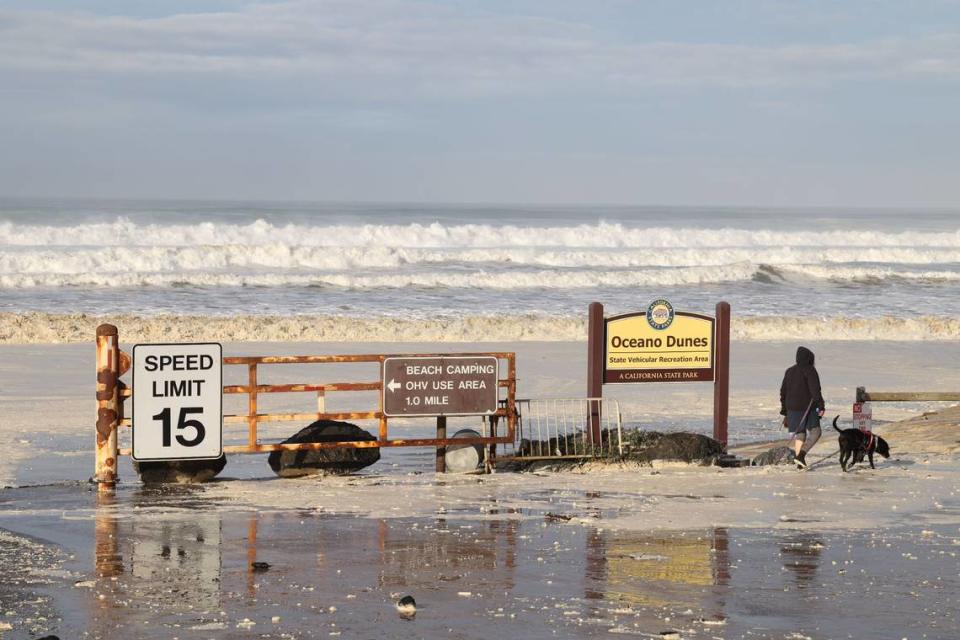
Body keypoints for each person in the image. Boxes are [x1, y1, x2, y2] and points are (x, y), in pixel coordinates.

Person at [779, 346, 825, 469]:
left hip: (791, 408)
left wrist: (785, 410)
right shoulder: (810, 370)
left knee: (800, 433)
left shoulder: (789, 371)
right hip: (807, 408)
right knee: (816, 432)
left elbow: (783, 391)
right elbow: (815, 391)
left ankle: (799, 462)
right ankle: (801, 455)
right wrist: (821, 406)